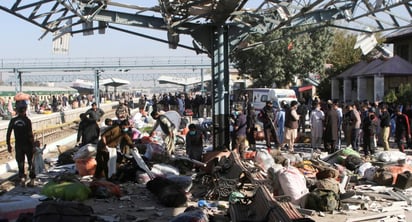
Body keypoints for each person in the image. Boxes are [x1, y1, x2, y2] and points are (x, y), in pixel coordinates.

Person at [6, 101, 35, 186]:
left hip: (18, 145)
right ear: (25, 109)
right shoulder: (27, 121)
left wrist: (8, 144)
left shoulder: (13, 120)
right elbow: (30, 134)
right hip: (28, 144)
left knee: (20, 162)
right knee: (31, 162)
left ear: (17, 110)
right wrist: (33, 145)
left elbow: (8, 133)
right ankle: (32, 180)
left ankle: (22, 179)